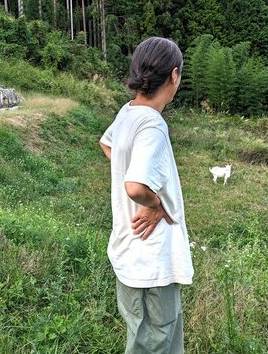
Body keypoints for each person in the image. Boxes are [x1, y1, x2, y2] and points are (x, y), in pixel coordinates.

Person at [99, 37, 194, 353]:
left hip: (131, 254)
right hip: (151, 261)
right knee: (156, 342)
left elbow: (107, 143)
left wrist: (127, 168)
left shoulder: (129, 112)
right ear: (174, 75)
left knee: (148, 339)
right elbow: (136, 187)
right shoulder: (152, 125)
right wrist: (154, 204)